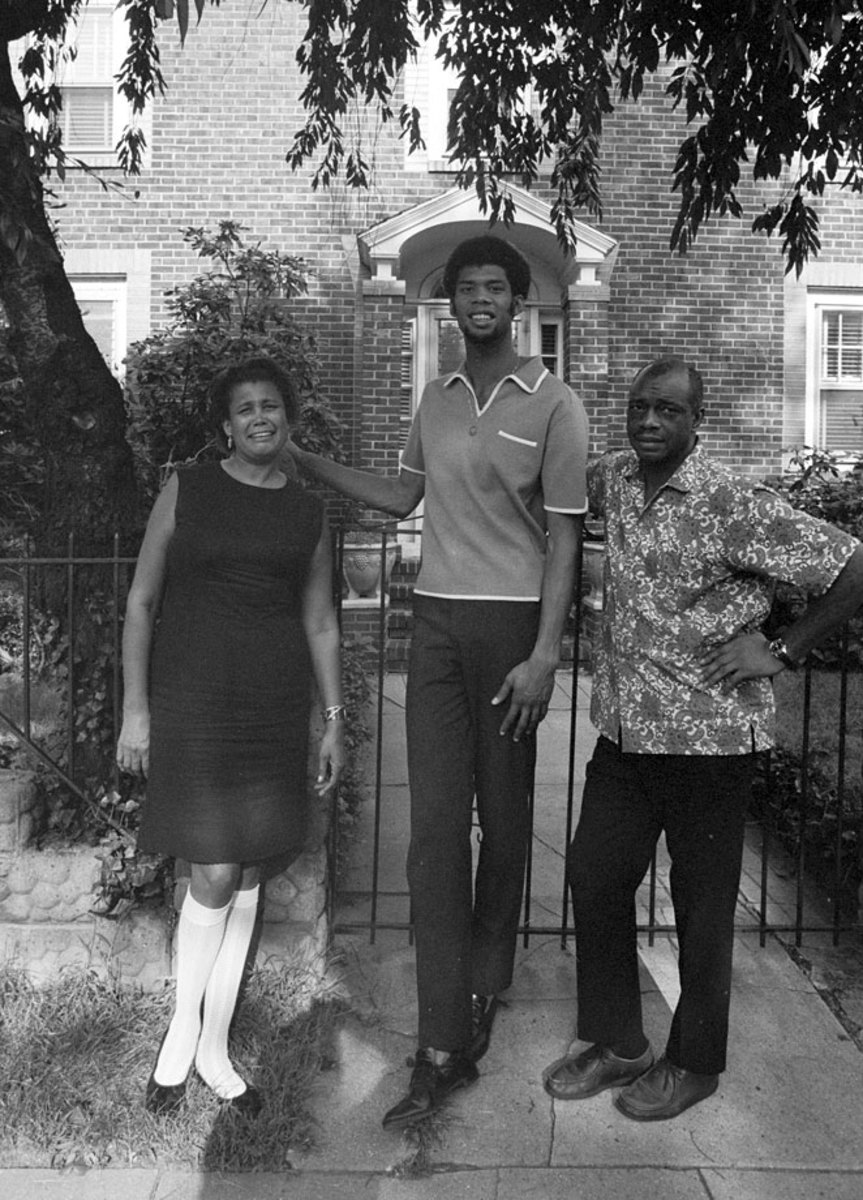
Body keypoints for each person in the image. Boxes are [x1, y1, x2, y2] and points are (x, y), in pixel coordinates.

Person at [286, 235, 588, 1128]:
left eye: (496, 286)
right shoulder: (437, 396)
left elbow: (565, 537)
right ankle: (442, 1038)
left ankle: (487, 980)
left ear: (518, 303)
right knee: (433, 835)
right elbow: (398, 498)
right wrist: (304, 461)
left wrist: (545, 655)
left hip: (511, 632)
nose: (480, 298)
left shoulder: (555, 402)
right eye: (467, 287)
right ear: (450, 302)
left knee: (504, 822)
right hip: (437, 628)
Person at [543, 357, 863, 1121]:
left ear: (697, 421)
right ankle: (619, 1041)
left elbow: (851, 566)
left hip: (709, 741)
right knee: (594, 877)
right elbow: (536, 482)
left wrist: (781, 650)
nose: (649, 421)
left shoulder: (732, 503)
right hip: (626, 734)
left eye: (667, 410)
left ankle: (694, 1063)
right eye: (639, 407)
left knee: (702, 907)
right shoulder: (614, 479)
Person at [116, 356, 345, 1117]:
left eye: (270, 405)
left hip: (272, 706)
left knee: (247, 872)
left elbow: (320, 621)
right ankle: (182, 1037)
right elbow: (142, 601)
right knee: (213, 868)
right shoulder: (188, 488)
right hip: (194, 701)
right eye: (245, 408)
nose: (259, 418)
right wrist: (136, 710)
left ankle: (214, 1050)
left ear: (288, 419)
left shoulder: (307, 512)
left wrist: (333, 720)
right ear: (225, 425)